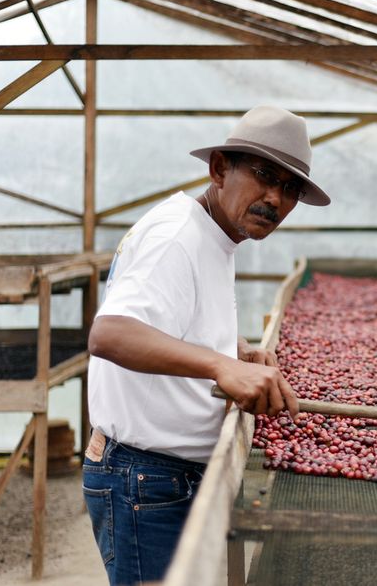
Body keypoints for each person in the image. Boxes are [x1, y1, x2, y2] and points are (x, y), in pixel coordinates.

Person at [83, 105, 330, 585]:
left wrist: (235, 349)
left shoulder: (216, 233)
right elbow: (110, 333)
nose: (275, 199)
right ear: (219, 169)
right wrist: (221, 366)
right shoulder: (177, 237)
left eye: (290, 189)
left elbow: (175, 315)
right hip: (143, 478)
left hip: (165, 474)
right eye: (263, 176)